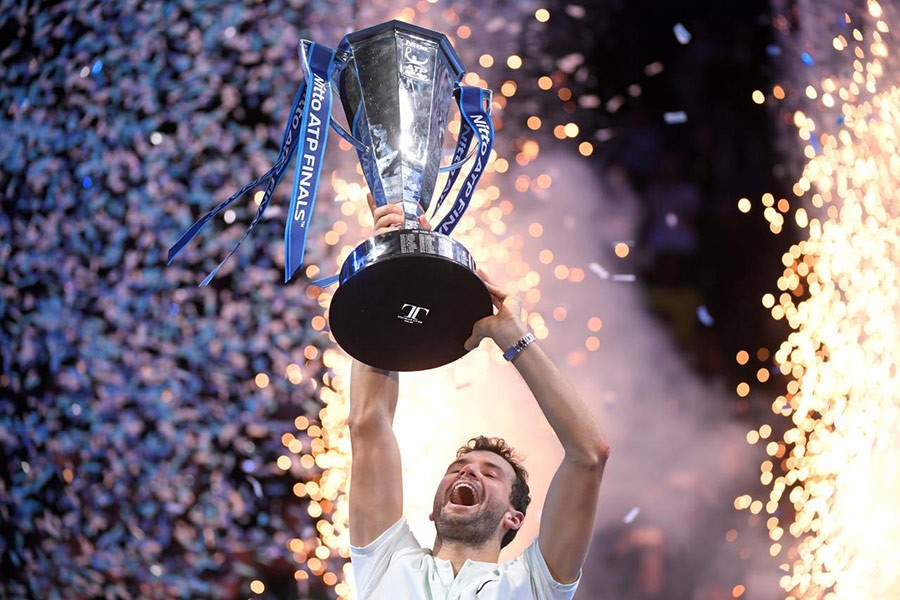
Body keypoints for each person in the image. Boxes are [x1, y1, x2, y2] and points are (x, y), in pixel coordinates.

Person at [348, 203, 610, 599]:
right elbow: (369, 422)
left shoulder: (534, 585)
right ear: (434, 509)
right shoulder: (387, 560)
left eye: (490, 474)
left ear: (513, 517)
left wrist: (513, 338)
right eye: (458, 468)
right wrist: (391, 269)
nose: (467, 474)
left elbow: (589, 455)